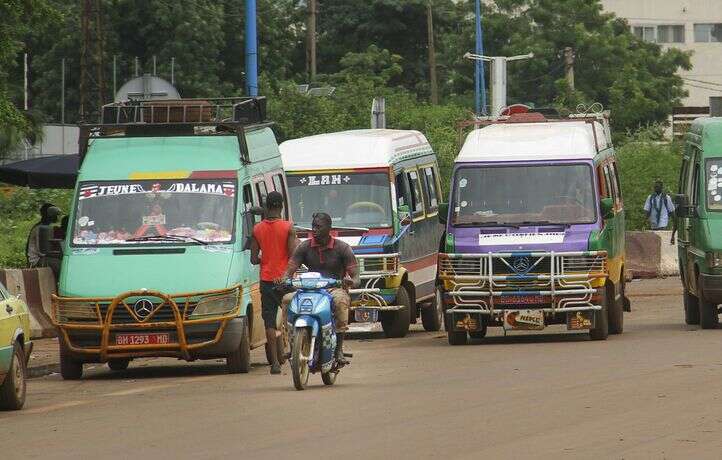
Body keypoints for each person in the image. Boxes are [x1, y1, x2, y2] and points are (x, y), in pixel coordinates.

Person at [281, 212, 359, 364]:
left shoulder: (342, 248)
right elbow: (289, 270)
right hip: (309, 289)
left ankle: (338, 350)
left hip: (334, 289)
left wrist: (350, 282)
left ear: (329, 228)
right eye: (313, 227)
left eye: (318, 227)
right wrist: (284, 280)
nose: (314, 230)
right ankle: (292, 344)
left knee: (340, 302)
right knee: (287, 300)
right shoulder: (304, 247)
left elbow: (356, 277)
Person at [250, 191, 297, 374]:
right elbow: (293, 256)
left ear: (266, 207)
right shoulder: (288, 227)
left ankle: (275, 363)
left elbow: (254, 259)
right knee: (292, 317)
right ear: (281, 206)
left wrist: (265, 259)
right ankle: (293, 351)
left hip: (266, 281)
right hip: (284, 281)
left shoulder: (257, 229)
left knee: (269, 322)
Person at [26, 203, 61, 275]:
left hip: (42, 258)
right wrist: (58, 255)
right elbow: (42, 252)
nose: (56, 217)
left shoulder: (46, 227)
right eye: (55, 215)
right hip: (36, 260)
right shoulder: (40, 228)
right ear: (49, 215)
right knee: (60, 265)